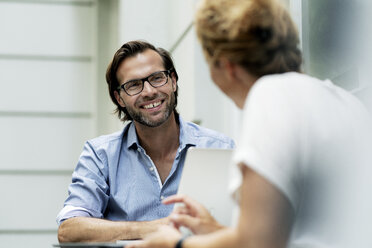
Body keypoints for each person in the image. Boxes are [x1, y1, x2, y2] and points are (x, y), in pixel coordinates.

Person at [127, 0, 372, 248]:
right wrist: (216, 230)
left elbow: (256, 243)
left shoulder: (270, 96)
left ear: (227, 65)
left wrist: (175, 244)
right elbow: (290, 236)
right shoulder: (346, 103)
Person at [56, 40, 235, 242]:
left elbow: (246, 229)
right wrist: (156, 228)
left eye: (157, 78)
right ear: (119, 98)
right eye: (134, 85)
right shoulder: (100, 155)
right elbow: (69, 230)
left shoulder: (220, 149)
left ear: (173, 81)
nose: (149, 91)